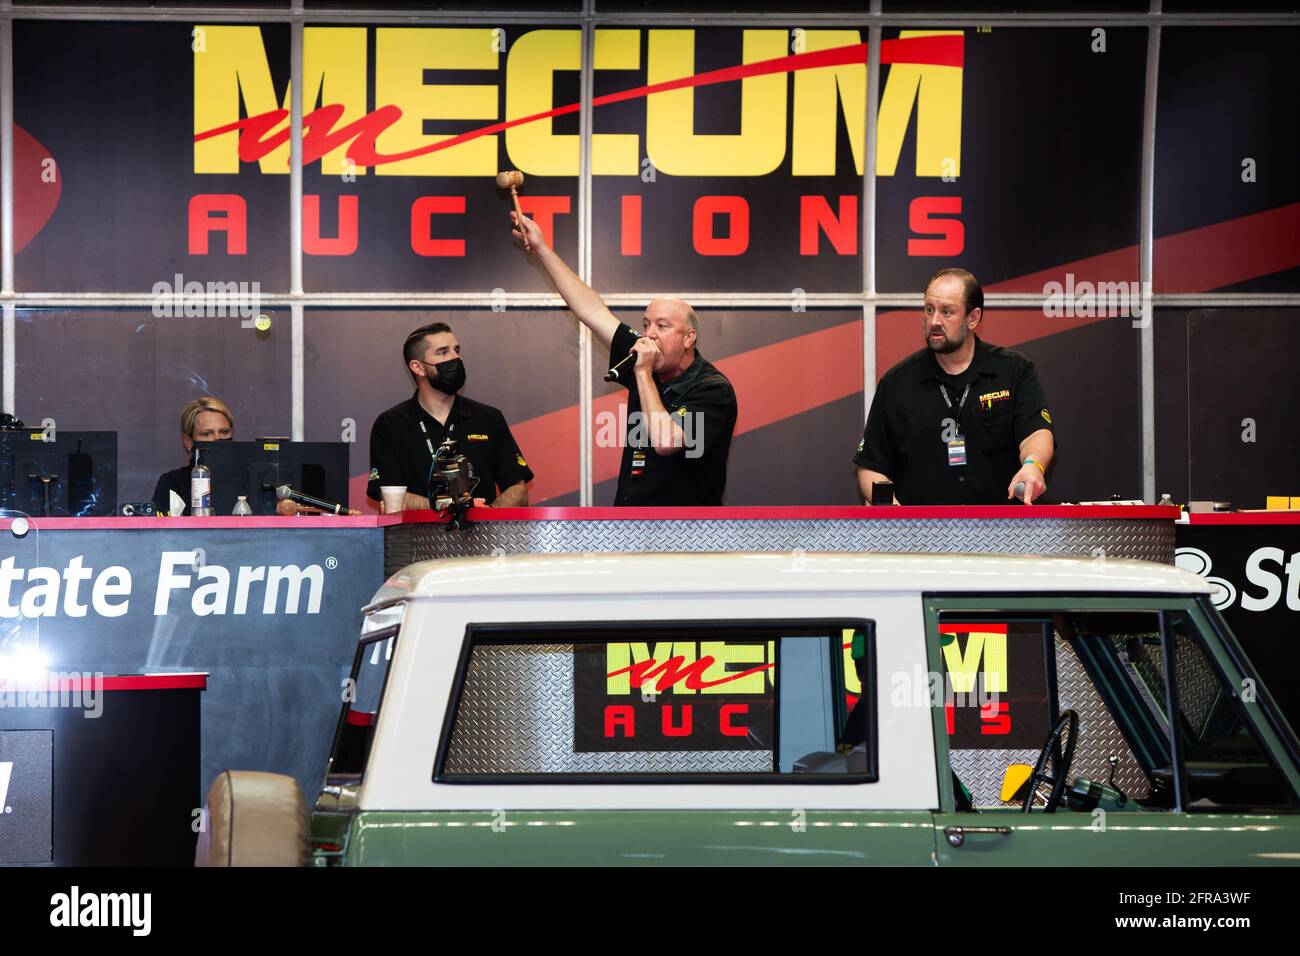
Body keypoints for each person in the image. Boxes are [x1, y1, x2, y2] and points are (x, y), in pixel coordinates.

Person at [511, 210, 737, 506]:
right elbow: (592, 311)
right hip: (631, 526)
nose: (649, 334)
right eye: (646, 324)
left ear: (688, 338)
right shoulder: (648, 359)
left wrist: (642, 374)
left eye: (663, 326)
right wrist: (542, 249)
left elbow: (667, 441)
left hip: (686, 532)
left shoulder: (712, 388)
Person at [854, 268, 1055, 505]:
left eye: (947, 312)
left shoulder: (1013, 371)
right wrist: (894, 515)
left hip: (1003, 531)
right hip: (921, 536)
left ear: (973, 318)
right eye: (929, 310)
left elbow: (1037, 433)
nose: (935, 321)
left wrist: (1033, 466)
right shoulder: (897, 383)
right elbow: (870, 467)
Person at [367, 322, 531, 511]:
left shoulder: (489, 418)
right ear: (418, 367)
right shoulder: (391, 424)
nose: (456, 358)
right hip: (417, 538)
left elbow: (518, 490)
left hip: (481, 536)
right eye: (443, 352)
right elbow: (390, 499)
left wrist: (486, 517)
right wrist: (451, 506)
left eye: (456, 350)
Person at [152, 396, 235, 515]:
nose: (218, 439)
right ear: (188, 441)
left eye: (224, 432)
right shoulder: (173, 483)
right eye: (207, 433)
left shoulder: (249, 477)